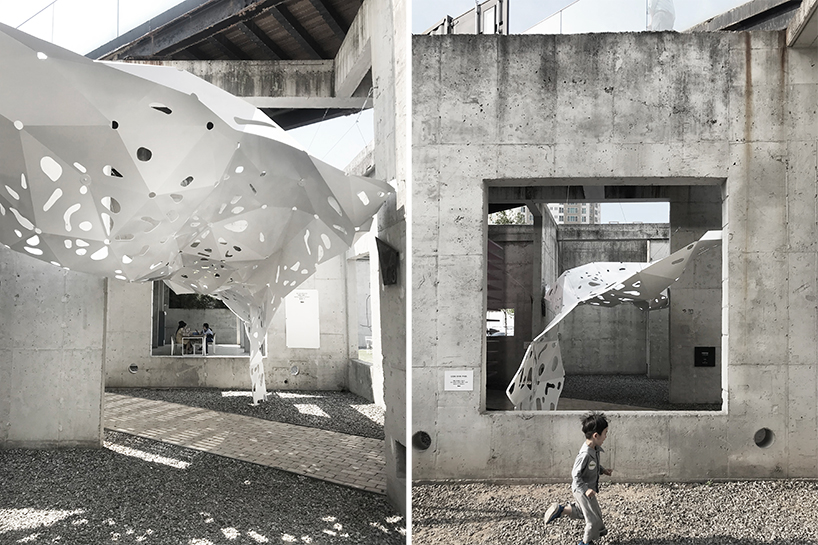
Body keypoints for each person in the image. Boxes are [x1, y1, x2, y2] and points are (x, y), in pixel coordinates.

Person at [544, 412, 613, 545]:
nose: (606, 436)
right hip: (582, 489)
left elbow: (593, 465)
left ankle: (561, 510)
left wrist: (602, 470)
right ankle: (585, 542)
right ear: (596, 435)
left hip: (586, 489)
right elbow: (575, 475)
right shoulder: (585, 454)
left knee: (585, 511)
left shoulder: (595, 448)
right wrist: (586, 489)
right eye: (605, 433)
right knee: (592, 518)